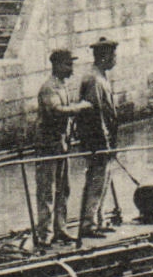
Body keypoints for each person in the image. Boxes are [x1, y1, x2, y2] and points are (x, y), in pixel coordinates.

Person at [34, 48, 91, 245]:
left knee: (63, 189)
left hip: (61, 145)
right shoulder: (49, 88)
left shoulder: (62, 85)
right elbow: (57, 110)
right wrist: (80, 107)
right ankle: (45, 234)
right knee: (47, 191)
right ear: (56, 65)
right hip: (48, 147)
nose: (71, 69)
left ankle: (60, 229)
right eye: (68, 65)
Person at [76, 37, 120, 237]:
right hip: (98, 140)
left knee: (103, 180)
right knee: (96, 180)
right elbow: (95, 115)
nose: (115, 59)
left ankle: (99, 220)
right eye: (113, 55)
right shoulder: (94, 79)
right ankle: (89, 224)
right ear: (104, 57)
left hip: (105, 139)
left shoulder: (100, 76)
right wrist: (104, 143)